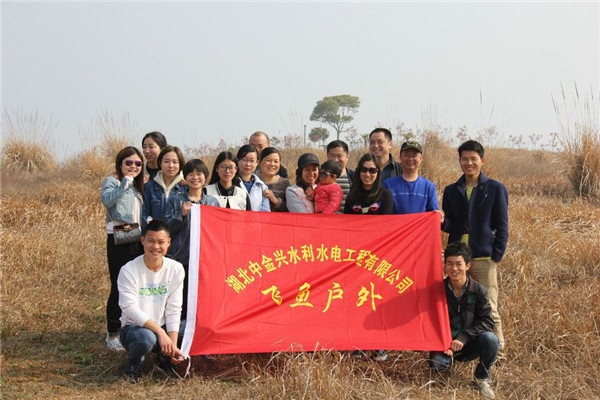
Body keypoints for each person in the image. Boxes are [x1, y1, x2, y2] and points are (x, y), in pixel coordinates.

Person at [441, 140, 508, 356]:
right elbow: (451, 224)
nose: (469, 163)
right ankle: (458, 349)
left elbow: (502, 225)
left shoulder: (495, 188)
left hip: (483, 257)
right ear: (459, 161)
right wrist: (441, 221)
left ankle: (498, 352)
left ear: (482, 161)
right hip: (457, 259)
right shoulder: (452, 190)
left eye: (473, 159)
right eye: (464, 159)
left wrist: (496, 255)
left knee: (490, 305)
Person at [118, 220, 188, 383]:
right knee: (146, 338)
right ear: (142, 241)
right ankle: (132, 367)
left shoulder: (176, 269)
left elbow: (174, 308)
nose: (156, 247)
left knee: (193, 328)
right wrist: (160, 333)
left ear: (168, 243)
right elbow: (129, 308)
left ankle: (165, 359)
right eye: (151, 241)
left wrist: (172, 345)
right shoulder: (128, 270)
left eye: (161, 242)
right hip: (135, 328)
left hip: (163, 326)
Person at [429, 241, 499, 399]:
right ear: (444, 265)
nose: (454, 269)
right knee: (438, 364)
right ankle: (447, 367)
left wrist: (464, 337)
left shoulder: (479, 290)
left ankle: (481, 379)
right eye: (450, 263)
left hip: (469, 343)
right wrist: (444, 343)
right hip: (444, 345)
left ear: (467, 265)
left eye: (458, 264)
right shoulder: (438, 290)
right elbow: (429, 321)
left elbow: (487, 322)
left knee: (491, 339)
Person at [101, 146, 145, 351]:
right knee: (118, 285)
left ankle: (130, 327)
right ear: (120, 164)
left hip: (137, 238)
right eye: (129, 162)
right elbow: (107, 200)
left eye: (138, 163)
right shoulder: (114, 181)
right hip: (118, 239)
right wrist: (125, 183)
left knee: (135, 285)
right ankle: (113, 333)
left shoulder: (139, 187)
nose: (133, 166)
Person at [164, 159, 219, 319]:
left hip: (204, 259)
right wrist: (181, 214)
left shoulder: (212, 202)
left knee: (202, 298)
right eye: (190, 174)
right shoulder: (175, 199)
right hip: (179, 257)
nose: (195, 177)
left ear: (205, 176)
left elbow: (216, 232)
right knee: (179, 298)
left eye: (199, 174)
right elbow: (166, 228)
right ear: (185, 177)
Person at [382, 141, 442, 221]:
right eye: (406, 155)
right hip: (396, 228)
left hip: (420, 229)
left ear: (421, 159)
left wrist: (439, 217)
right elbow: (383, 215)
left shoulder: (428, 187)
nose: (410, 159)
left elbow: (433, 215)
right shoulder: (388, 184)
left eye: (415, 155)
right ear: (400, 157)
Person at [142, 146, 185, 229]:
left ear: (180, 164)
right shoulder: (149, 187)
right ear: (160, 163)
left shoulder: (185, 188)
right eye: (166, 161)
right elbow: (143, 214)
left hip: (179, 236)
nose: (171, 165)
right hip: (155, 235)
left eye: (175, 162)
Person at [236, 144, 270, 212]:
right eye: (244, 160)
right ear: (238, 160)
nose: (248, 164)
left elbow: (266, 212)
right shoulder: (230, 183)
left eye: (251, 161)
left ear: (257, 162)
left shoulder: (262, 187)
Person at [258, 147, 291, 212]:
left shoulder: (285, 184)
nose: (272, 164)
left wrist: (275, 200)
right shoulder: (254, 181)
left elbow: (291, 209)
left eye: (276, 161)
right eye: (268, 160)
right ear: (260, 162)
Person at [326, 140, 355, 211]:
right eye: (332, 156)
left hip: (348, 217)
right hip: (326, 217)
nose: (336, 160)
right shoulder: (320, 177)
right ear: (327, 156)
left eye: (340, 156)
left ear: (347, 157)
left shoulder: (354, 177)